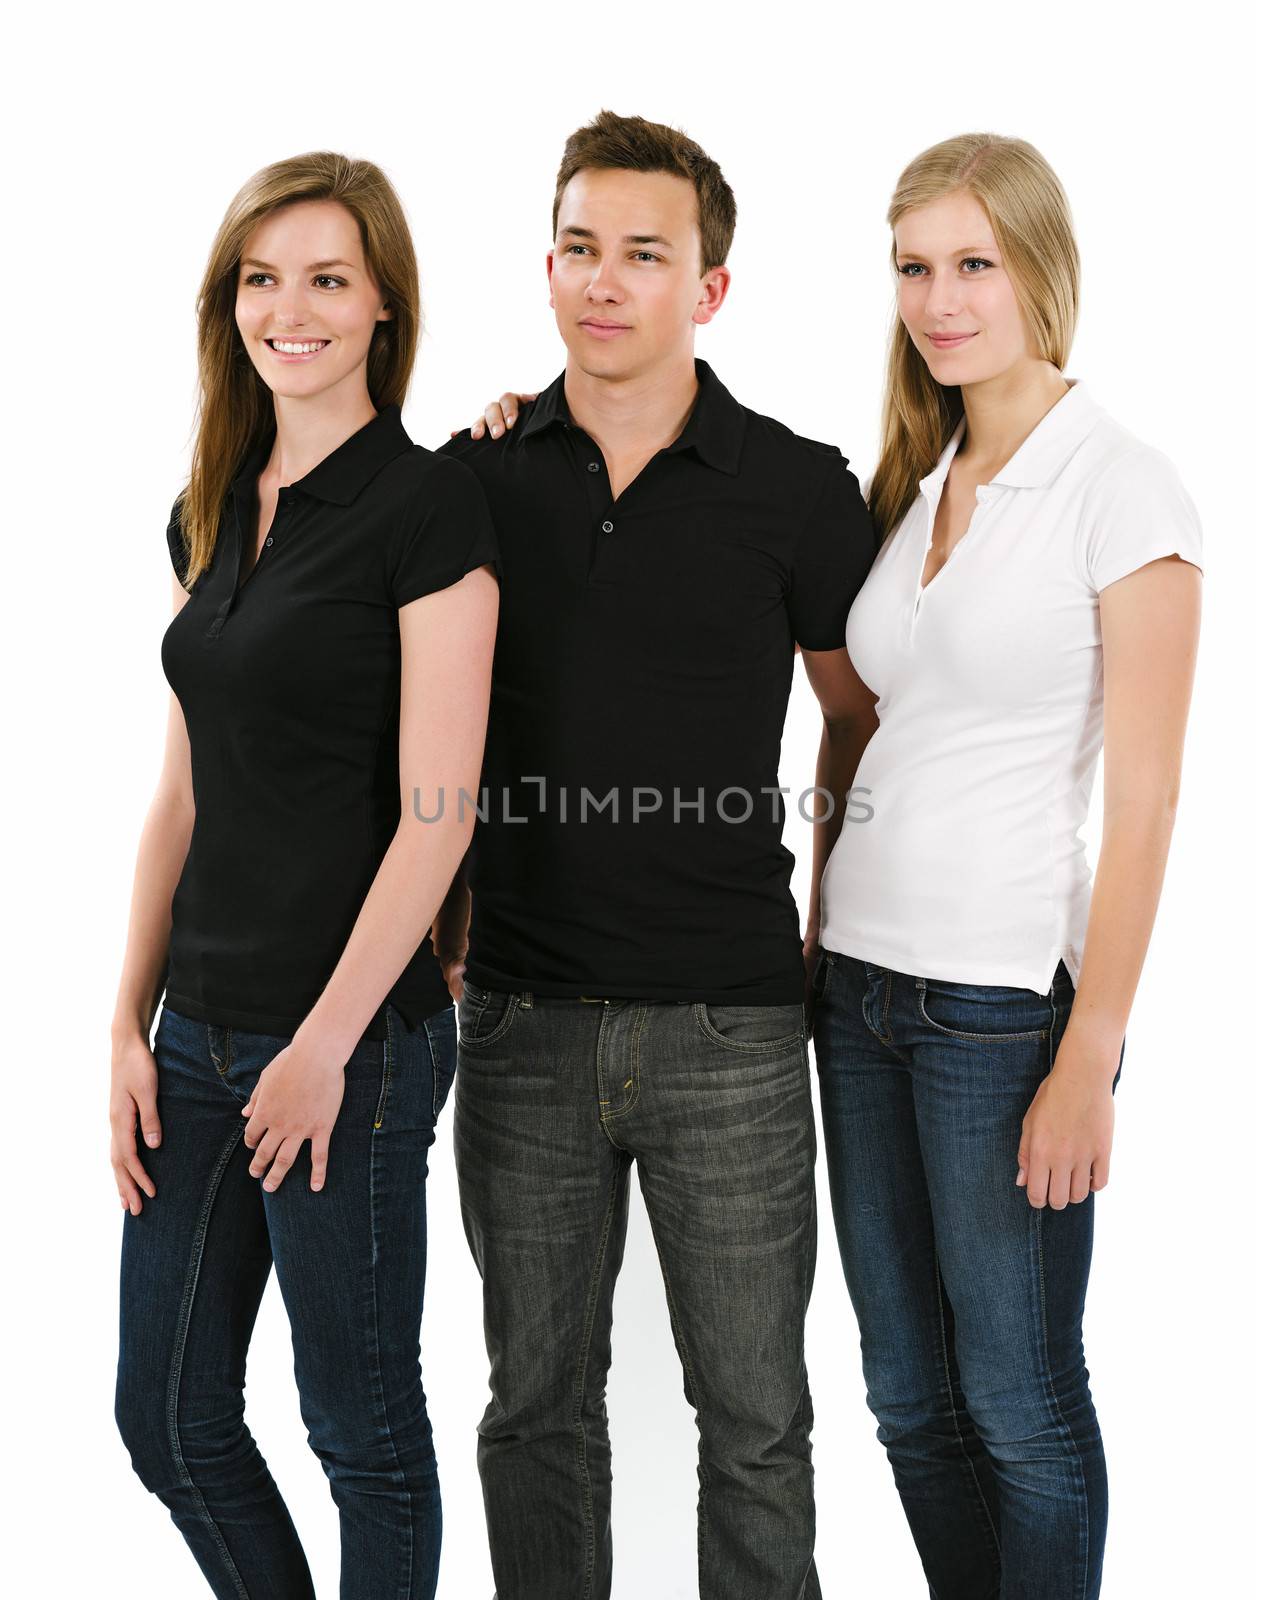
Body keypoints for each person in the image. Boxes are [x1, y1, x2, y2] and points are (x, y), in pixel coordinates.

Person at [436, 109, 876, 1599]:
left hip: (732, 1024)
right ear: (545, 266)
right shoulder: (474, 479)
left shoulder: (799, 486)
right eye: (578, 248)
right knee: (532, 1415)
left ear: (712, 286)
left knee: (756, 1421)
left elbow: (856, 712)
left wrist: (833, 907)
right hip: (519, 1020)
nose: (603, 282)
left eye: (644, 252)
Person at [807, 134, 1202, 1599]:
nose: (939, 297)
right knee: (908, 1400)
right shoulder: (921, 481)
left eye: (973, 263)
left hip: (993, 1015)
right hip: (855, 997)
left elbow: (1151, 797)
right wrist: (812, 907)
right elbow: (863, 727)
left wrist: (1089, 1049)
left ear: (1042, 270)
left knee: (1022, 1408)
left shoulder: (1125, 488)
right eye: (914, 266)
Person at [109, 151, 500, 1600]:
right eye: (264, 279)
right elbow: (181, 793)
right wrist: (122, 1029)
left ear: (384, 304)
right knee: (166, 1417)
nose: (295, 309)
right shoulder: (207, 506)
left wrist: (328, 1045)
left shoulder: (426, 508)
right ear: (232, 306)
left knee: (362, 1431)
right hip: (195, 1040)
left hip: (354, 1045)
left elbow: (439, 812)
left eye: (329, 278)